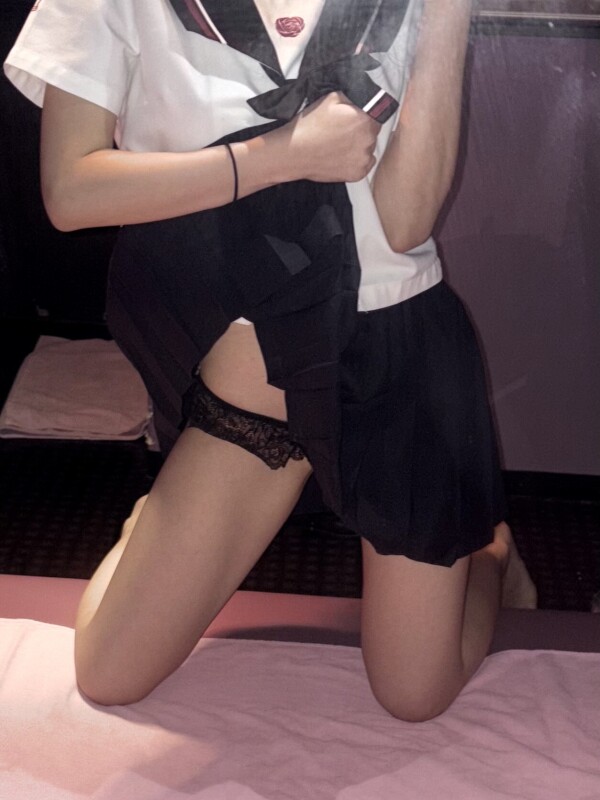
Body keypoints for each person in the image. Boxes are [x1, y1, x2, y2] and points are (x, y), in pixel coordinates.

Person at [5, 0, 537, 722]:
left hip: (395, 352)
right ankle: (157, 521)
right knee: (108, 673)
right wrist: (280, 157)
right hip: (257, 382)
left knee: (414, 695)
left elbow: (406, 224)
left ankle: (491, 552)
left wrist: (449, 16)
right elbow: (71, 191)